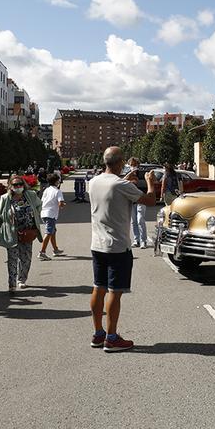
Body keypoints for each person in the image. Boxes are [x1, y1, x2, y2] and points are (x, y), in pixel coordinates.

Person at [88, 146, 160, 352]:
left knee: (98, 287)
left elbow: (111, 191)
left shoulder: (93, 182)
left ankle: (98, 333)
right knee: (114, 291)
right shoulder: (121, 185)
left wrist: (124, 179)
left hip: (97, 244)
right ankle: (111, 338)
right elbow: (151, 200)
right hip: (117, 246)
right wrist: (148, 182)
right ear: (120, 163)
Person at [0, 174, 44, 292]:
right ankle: (12, 284)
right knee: (12, 259)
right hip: (12, 233)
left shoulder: (31, 195)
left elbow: (39, 204)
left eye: (20, 184)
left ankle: (22, 279)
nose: (18, 186)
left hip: (28, 233)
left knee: (26, 258)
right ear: (10, 186)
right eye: (15, 184)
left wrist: (36, 213)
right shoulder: (5, 198)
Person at [38, 173, 66, 260]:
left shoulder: (46, 190)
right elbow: (60, 203)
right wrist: (63, 204)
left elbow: (42, 201)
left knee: (53, 231)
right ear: (56, 181)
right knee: (49, 232)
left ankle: (55, 249)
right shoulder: (58, 191)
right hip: (51, 214)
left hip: (44, 213)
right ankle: (42, 252)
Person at [127, 157, 149, 247]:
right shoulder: (128, 175)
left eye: (134, 165)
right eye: (131, 165)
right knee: (134, 221)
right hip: (131, 201)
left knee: (140, 220)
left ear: (138, 165)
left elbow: (145, 185)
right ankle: (136, 240)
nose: (133, 167)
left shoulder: (142, 174)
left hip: (141, 199)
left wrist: (136, 182)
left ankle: (143, 240)